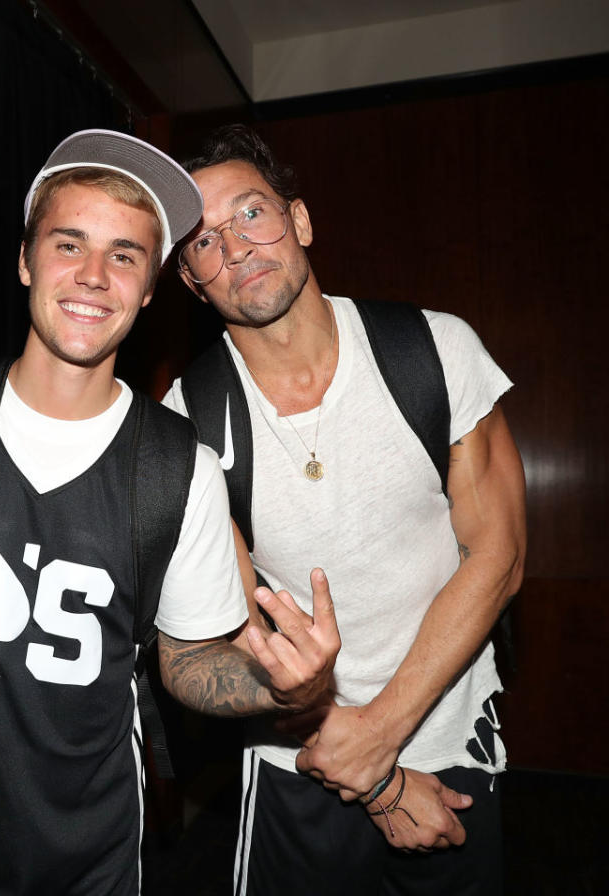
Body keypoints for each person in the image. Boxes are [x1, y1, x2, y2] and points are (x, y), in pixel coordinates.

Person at [0, 128, 340, 896]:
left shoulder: (178, 466)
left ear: (151, 288)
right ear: (25, 261)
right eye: (69, 245)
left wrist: (284, 688)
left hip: (94, 866)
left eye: (125, 256)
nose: (94, 276)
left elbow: (187, 663)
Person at [162, 124, 527, 895]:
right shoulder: (185, 421)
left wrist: (383, 740)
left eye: (251, 214)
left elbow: (498, 558)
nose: (235, 247)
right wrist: (378, 782)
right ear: (192, 283)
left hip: (449, 742)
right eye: (203, 241)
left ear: (299, 221)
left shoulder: (435, 349)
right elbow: (234, 638)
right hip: (299, 762)